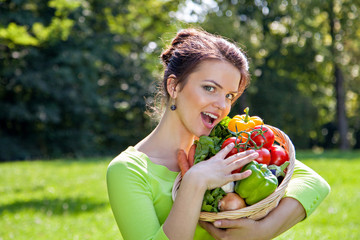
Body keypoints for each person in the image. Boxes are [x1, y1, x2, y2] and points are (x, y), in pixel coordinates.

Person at [106, 28, 330, 240]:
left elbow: (314, 182)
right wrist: (195, 180)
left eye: (230, 96)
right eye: (210, 88)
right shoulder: (129, 170)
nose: (222, 105)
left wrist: (260, 232)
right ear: (174, 87)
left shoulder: (225, 144)